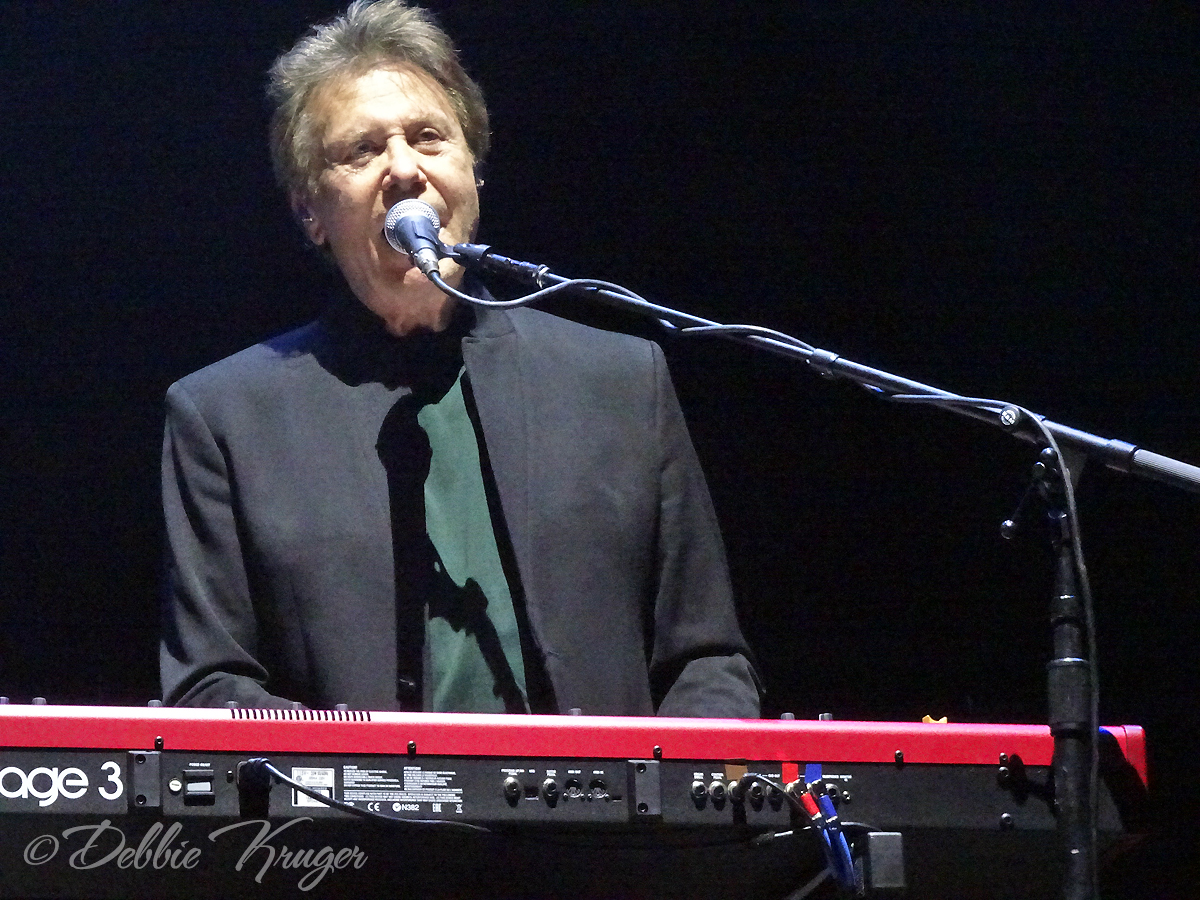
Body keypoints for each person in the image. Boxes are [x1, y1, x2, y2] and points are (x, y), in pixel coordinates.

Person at [159, 0, 761, 717]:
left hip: (611, 799)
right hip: (354, 796)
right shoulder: (226, 418)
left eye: (429, 138)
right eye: (363, 151)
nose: (404, 170)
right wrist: (344, 762)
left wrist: (663, 784)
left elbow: (707, 663)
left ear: (472, 168)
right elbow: (210, 688)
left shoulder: (622, 384)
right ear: (309, 211)